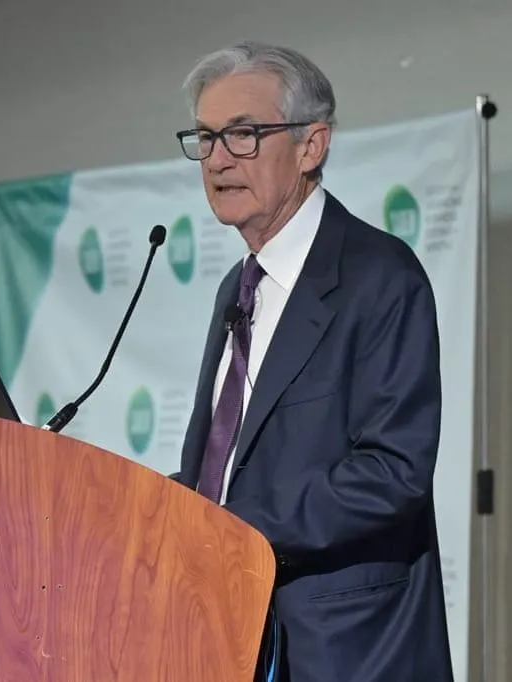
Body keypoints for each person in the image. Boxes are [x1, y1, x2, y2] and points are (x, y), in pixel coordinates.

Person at [170, 41, 454, 682]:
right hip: (228, 633)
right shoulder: (237, 287)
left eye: (243, 134)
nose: (218, 159)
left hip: (349, 649)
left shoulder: (379, 276)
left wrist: (228, 528)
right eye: (206, 138)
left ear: (311, 146)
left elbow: (393, 472)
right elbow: (229, 465)